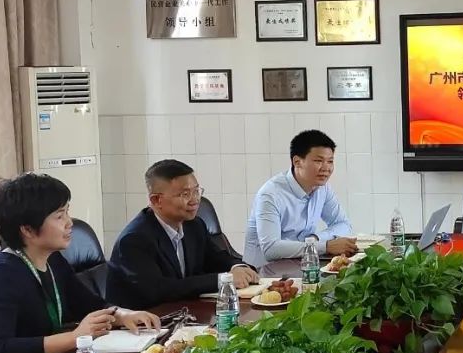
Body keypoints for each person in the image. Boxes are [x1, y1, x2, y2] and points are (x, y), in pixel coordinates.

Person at [0, 174, 159, 353]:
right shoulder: (0, 275)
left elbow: (88, 304)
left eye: (67, 212)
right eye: (59, 216)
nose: (69, 222)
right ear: (27, 229)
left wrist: (123, 314)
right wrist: (74, 338)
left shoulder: (53, 260)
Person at [106, 159, 258, 309]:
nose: (195, 200)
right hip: (145, 319)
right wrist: (224, 279)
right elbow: (160, 290)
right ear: (156, 200)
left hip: (184, 311)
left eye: (196, 191)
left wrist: (237, 267)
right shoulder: (134, 240)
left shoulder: (194, 225)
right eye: (185, 194)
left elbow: (215, 258)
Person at [243, 130, 355, 269]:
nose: (326, 168)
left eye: (330, 161)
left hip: (301, 266)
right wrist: (324, 246)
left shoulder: (323, 189)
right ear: (297, 162)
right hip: (263, 273)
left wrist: (316, 238)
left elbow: (344, 224)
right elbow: (271, 249)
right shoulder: (271, 194)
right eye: (319, 161)